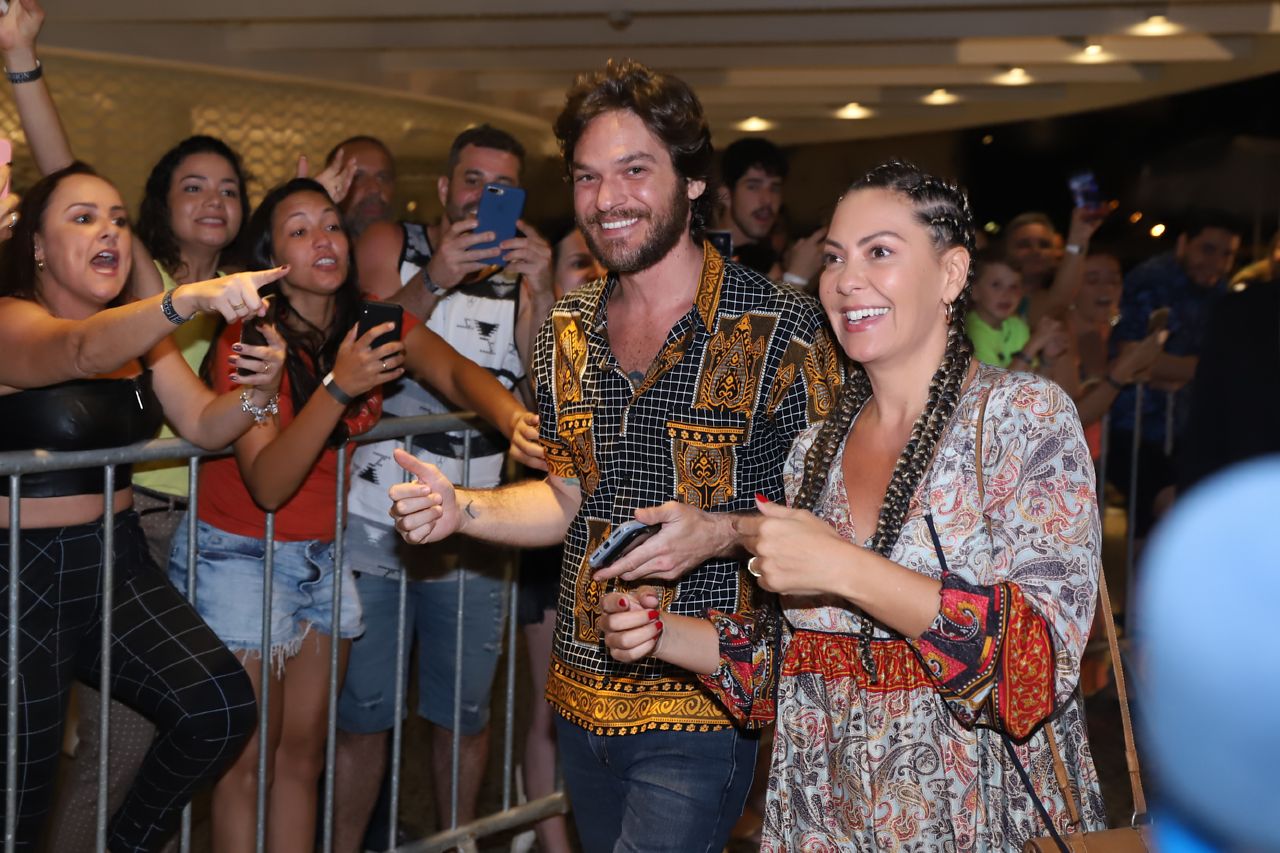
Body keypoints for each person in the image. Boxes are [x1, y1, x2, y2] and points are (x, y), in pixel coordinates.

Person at [387, 59, 842, 853]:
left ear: (694, 180)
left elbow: (839, 528)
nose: (607, 199)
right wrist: (462, 507)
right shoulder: (567, 324)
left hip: (704, 700)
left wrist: (723, 532)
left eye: (635, 170)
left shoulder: (786, 331)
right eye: (588, 177)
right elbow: (566, 497)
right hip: (580, 695)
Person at [599, 160, 1106, 849]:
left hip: (973, 815)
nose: (845, 279)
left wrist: (840, 566)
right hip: (824, 814)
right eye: (835, 257)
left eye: (880, 252)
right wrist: (662, 633)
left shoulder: (1023, 419)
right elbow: (799, 657)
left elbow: (1033, 668)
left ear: (952, 274)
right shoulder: (815, 450)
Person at [165, 177, 541, 853]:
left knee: (303, 757)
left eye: (332, 225)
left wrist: (514, 420)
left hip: (321, 552)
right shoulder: (251, 339)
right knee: (245, 763)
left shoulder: (370, 320)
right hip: (240, 553)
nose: (324, 240)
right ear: (271, 256)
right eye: (300, 230)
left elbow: (454, 373)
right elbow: (270, 481)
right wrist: (340, 387)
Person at [0, 161, 289, 851]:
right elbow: (74, 350)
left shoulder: (138, 337)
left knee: (216, 708)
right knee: (19, 806)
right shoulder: (12, 319)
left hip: (114, 562)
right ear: (37, 246)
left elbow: (203, 425)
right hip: (21, 581)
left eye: (119, 219)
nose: (110, 232)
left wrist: (259, 391)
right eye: (83, 217)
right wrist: (184, 299)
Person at [333, 124, 552, 851]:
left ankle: (453, 843)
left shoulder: (523, 267)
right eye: (471, 181)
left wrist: (544, 287)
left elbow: (546, 381)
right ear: (443, 186)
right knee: (364, 711)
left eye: (501, 188)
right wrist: (434, 277)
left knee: (462, 713)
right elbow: (360, 345)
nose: (482, 199)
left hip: (479, 520)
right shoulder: (392, 243)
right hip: (376, 515)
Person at [511, 220, 604, 853]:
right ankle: (552, 841)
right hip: (554, 541)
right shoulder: (554, 352)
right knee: (551, 700)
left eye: (602, 263)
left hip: (629, 547)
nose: (595, 275)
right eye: (579, 263)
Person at [1107, 211, 1241, 536]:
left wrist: (1180, 368)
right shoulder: (1152, 280)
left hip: (1183, 426)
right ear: (1183, 243)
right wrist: (1207, 366)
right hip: (1131, 426)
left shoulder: (1219, 293)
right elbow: (1136, 358)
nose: (1217, 262)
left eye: (1227, 254)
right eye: (1208, 249)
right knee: (1168, 510)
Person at [715, 137, 824, 289]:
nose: (767, 200)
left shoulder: (763, 259)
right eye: (753, 186)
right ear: (726, 195)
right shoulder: (699, 256)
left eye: (775, 188)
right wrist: (796, 278)